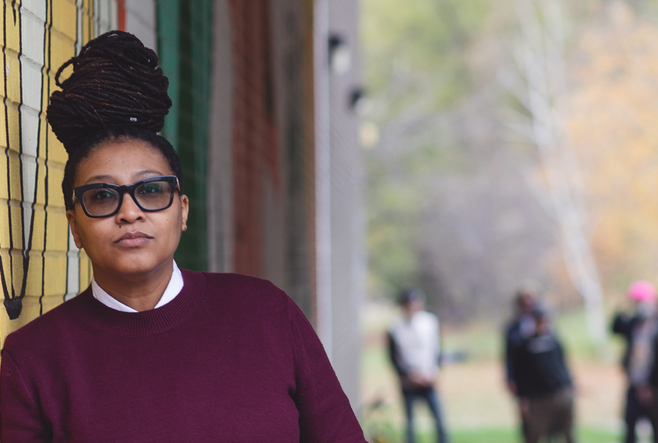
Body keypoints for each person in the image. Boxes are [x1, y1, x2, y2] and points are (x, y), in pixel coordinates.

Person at [0, 30, 366, 442]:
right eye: (102, 196)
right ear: (75, 226)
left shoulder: (266, 314)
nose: (129, 212)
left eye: (151, 190)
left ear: (183, 210)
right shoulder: (33, 359)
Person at [388, 288, 449, 443]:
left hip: (428, 377)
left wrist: (434, 371)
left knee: (439, 420)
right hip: (409, 380)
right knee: (410, 422)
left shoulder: (430, 322)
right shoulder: (395, 328)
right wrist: (407, 375)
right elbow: (394, 356)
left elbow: (436, 349)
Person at [511, 303, 575, 443]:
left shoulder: (554, 340)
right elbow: (519, 374)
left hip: (561, 394)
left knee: (568, 434)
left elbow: (563, 365)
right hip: (538, 399)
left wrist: (571, 386)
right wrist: (522, 399)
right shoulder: (522, 346)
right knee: (535, 436)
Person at [612, 281, 658, 443]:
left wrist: (649, 384)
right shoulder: (634, 323)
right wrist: (624, 306)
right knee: (629, 427)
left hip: (653, 386)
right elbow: (615, 328)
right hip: (634, 383)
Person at [504, 285, 537, 439]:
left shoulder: (544, 323)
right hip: (523, 380)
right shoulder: (513, 327)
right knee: (527, 420)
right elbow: (508, 355)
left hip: (543, 379)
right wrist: (510, 379)